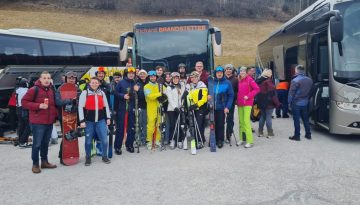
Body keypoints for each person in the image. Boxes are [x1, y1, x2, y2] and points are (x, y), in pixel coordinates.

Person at [22, 71, 58, 173]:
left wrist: (55, 116)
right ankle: (35, 164)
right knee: (37, 144)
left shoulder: (51, 89)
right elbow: (24, 103)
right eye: (44, 78)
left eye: (48, 78)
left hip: (49, 122)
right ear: (40, 79)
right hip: (37, 122)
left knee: (45, 143)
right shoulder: (34, 89)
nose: (46, 80)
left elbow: (53, 105)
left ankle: (44, 162)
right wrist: (39, 105)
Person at [78, 77, 111, 166]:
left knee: (104, 140)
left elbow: (106, 106)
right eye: (93, 82)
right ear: (89, 83)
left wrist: (108, 118)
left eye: (96, 83)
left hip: (101, 120)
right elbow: (80, 107)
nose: (94, 84)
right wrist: (82, 120)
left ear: (99, 83)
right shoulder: (85, 93)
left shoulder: (102, 93)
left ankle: (104, 156)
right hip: (89, 121)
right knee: (88, 141)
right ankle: (88, 157)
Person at [55, 71, 80, 164]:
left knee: (73, 135)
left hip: (74, 115)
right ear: (66, 79)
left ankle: (71, 153)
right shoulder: (60, 89)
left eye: (73, 78)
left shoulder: (77, 88)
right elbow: (57, 102)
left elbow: (81, 100)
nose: (71, 80)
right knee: (66, 135)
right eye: (70, 78)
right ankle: (62, 155)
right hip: (64, 116)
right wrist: (70, 100)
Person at [114, 67, 139, 154]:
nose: (131, 75)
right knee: (120, 128)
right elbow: (116, 93)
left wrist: (137, 91)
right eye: (129, 73)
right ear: (126, 74)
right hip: (122, 109)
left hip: (131, 108)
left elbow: (136, 95)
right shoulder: (121, 82)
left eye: (133, 73)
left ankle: (129, 145)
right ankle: (117, 147)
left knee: (131, 128)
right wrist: (122, 96)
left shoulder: (135, 82)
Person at [209, 66, 234, 148]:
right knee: (213, 124)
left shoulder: (227, 83)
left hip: (222, 107)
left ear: (223, 73)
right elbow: (208, 93)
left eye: (220, 73)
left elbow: (231, 95)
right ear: (215, 74)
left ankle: (220, 140)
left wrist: (227, 107)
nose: (219, 74)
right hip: (212, 107)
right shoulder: (212, 82)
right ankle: (213, 139)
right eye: (217, 73)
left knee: (220, 124)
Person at [288, 65, 313, 141]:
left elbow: (291, 93)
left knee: (296, 120)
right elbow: (311, 91)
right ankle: (308, 134)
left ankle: (297, 136)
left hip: (296, 103)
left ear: (296, 71)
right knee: (305, 119)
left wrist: (289, 102)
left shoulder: (295, 80)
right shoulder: (309, 80)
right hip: (305, 102)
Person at [236, 67, 260, 148]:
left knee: (246, 121)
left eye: (243, 71)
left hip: (247, 103)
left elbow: (257, 89)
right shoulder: (239, 80)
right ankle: (242, 138)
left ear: (246, 72)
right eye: (241, 71)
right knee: (241, 122)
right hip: (240, 103)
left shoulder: (249, 79)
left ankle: (250, 141)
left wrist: (248, 96)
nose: (242, 72)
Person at [255, 69, 280, 138]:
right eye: (271, 73)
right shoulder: (268, 81)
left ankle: (260, 132)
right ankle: (270, 133)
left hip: (260, 101)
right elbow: (273, 94)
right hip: (268, 102)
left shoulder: (258, 81)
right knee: (268, 117)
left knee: (262, 116)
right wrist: (277, 103)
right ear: (268, 74)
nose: (271, 75)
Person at [144, 71, 166, 150]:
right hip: (151, 108)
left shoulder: (160, 85)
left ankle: (157, 140)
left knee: (159, 125)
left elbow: (165, 94)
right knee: (150, 126)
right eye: (151, 77)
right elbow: (150, 96)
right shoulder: (146, 86)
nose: (153, 78)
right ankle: (149, 141)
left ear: (156, 77)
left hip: (159, 107)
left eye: (154, 76)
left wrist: (164, 98)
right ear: (149, 77)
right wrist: (159, 94)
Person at [187, 71, 208, 148]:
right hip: (193, 108)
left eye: (195, 77)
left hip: (200, 108)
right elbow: (189, 96)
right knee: (194, 125)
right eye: (192, 77)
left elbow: (204, 99)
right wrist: (190, 104)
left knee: (199, 125)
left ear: (198, 78)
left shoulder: (202, 86)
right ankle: (197, 139)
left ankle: (200, 141)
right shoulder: (191, 86)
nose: (194, 79)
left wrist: (196, 105)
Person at [166, 72, 186, 149]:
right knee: (173, 125)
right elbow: (170, 99)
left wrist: (181, 106)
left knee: (180, 124)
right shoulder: (169, 87)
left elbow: (182, 96)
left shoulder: (181, 86)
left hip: (180, 108)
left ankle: (180, 140)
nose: (175, 80)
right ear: (172, 79)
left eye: (177, 78)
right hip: (171, 109)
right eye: (174, 78)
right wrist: (175, 107)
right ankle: (172, 140)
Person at [224, 64, 238, 143]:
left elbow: (237, 90)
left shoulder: (235, 80)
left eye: (230, 69)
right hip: (222, 101)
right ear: (225, 70)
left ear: (232, 70)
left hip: (231, 102)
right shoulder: (222, 78)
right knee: (221, 119)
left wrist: (233, 96)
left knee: (229, 119)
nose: (228, 70)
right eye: (227, 69)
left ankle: (228, 135)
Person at [16, 78, 31, 148]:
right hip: (24, 109)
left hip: (18, 108)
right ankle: (23, 141)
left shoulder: (17, 90)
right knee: (28, 126)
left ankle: (20, 141)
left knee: (21, 126)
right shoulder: (26, 91)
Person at [136, 69, 149, 145]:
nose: (142, 75)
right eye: (141, 74)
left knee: (145, 123)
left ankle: (145, 139)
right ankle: (139, 139)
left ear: (146, 75)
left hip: (148, 106)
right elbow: (135, 94)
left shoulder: (148, 83)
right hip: (140, 106)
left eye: (143, 74)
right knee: (139, 123)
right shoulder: (137, 84)